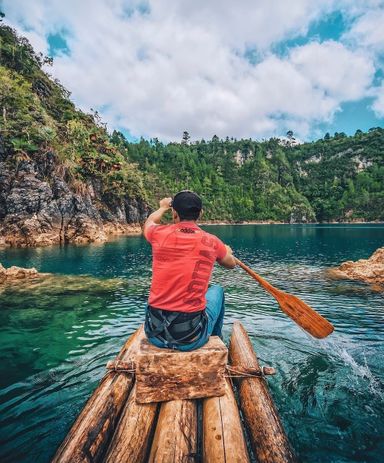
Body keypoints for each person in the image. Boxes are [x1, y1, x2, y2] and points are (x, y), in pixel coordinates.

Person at [143, 190, 236, 351]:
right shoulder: (212, 241)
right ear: (200, 213)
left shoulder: (158, 233)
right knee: (217, 290)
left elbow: (149, 222)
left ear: (174, 213)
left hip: (155, 335)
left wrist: (163, 207)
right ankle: (215, 339)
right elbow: (231, 264)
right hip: (191, 338)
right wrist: (227, 251)